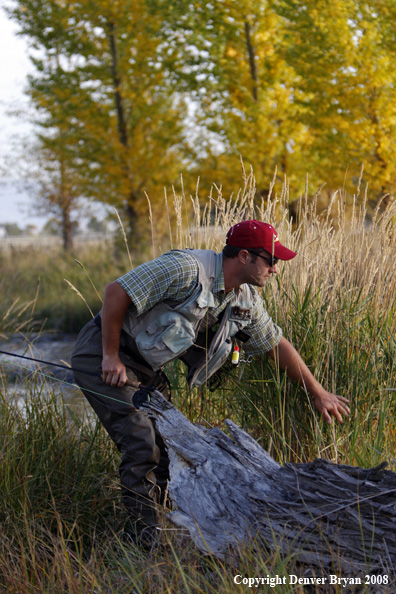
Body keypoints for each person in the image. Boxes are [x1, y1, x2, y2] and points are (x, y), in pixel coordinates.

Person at [71, 219, 350, 546]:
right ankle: (143, 544)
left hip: (145, 369)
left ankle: (166, 527)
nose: (275, 269)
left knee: (169, 445)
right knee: (141, 444)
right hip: (103, 355)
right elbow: (115, 292)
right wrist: (110, 356)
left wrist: (318, 393)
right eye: (271, 260)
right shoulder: (185, 269)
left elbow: (276, 345)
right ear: (244, 256)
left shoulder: (244, 300)